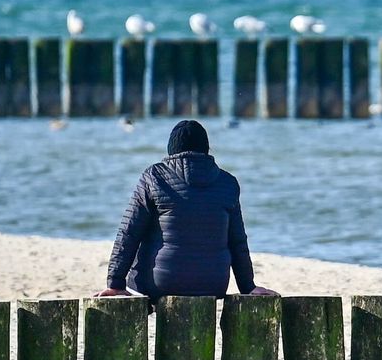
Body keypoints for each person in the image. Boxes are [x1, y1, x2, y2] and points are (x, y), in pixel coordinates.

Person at [96, 120, 275, 299]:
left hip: (163, 283)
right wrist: (248, 286)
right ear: (206, 149)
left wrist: (115, 283)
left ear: (171, 149)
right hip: (213, 284)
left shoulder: (154, 176)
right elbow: (238, 241)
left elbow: (129, 232)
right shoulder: (228, 182)